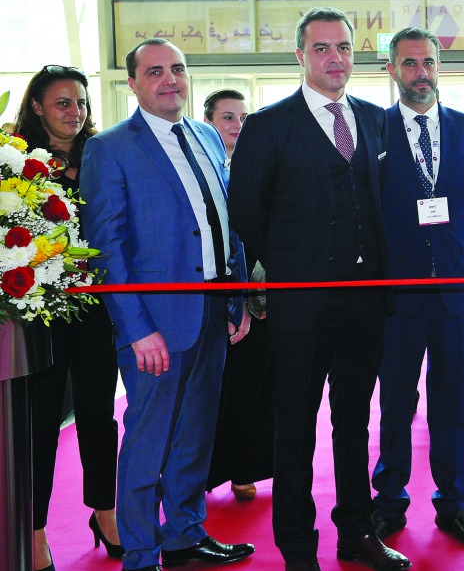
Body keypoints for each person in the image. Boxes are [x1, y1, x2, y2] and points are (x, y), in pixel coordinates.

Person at [228, 8, 409, 571]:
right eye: (323, 48)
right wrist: (289, 266)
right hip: (300, 303)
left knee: (354, 422)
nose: (336, 59)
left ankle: (356, 532)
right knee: (295, 430)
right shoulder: (268, 125)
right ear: (301, 56)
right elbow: (245, 212)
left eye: (345, 48)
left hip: (365, 303)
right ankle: (298, 547)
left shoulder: (379, 120)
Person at [81, 38, 255, 571]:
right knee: (148, 440)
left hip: (211, 309)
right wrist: (136, 329)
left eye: (177, 69)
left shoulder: (205, 135)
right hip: (154, 324)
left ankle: (184, 536)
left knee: (196, 434)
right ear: (132, 83)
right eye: (154, 71)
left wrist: (238, 297)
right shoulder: (110, 148)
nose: (169, 80)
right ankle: (137, 552)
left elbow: (228, 221)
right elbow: (104, 248)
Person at [371, 27, 464, 547]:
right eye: (409, 64)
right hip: (397, 292)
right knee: (395, 399)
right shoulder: (373, 131)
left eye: (428, 63)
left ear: (440, 67)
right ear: (391, 69)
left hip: (458, 287)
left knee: (454, 399)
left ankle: (453, 501)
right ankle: (389, 500)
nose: (421, 73)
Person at [19, 66, 121, 571]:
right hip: (40, 316)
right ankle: (33, 531)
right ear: (37, 107)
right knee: (39, 426)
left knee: (100, 416)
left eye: (79, 102)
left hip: (98, 310)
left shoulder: (99, 155)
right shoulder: (15, 165)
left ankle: (106, 512)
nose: (74, 112)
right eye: (62, 103)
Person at [203, 89, 275, 503]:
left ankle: (246, 470)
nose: (237, 126)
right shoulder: (202, 169)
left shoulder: (261, 166)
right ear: (208, 123)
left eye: (244, 118)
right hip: (217, 297)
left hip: (261, 295)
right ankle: (208, 473)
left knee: (255, 388)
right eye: (228, 118)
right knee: (216, 393)